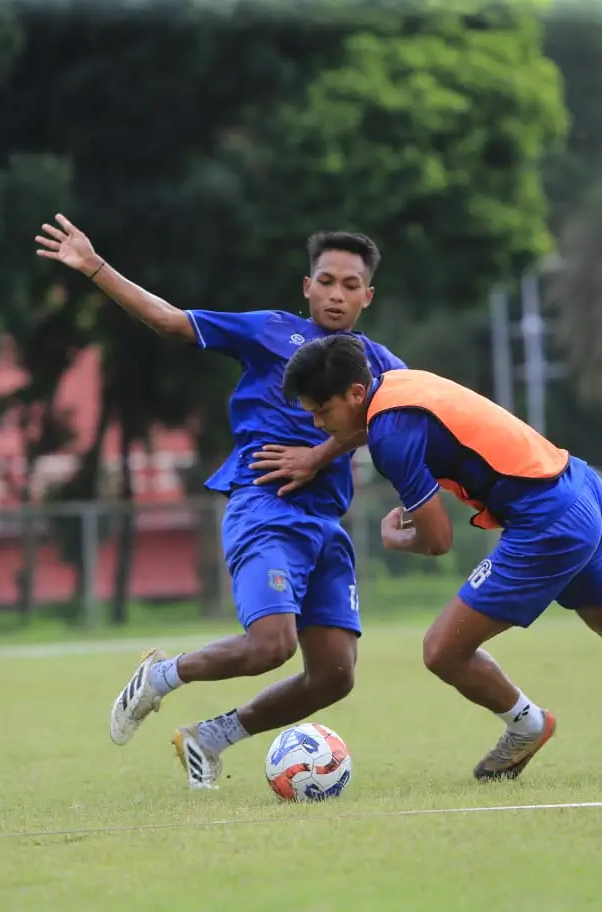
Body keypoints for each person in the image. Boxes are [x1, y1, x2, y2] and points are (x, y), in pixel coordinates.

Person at [35, 215, 405, 789]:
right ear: (307, 287)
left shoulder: (380, 364)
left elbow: (408, 413)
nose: (336, 294)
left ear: (368, 295)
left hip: (325, 524)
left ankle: (209, 739)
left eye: (350, 285)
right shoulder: (270, 332)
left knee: (334, 676)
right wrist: (94, 267)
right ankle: (160, 677)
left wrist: (322, 455)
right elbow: (170, 321)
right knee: (271, 645)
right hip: (265, 507)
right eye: (326, 281)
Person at [280, 334, 602, 781]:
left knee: (442, 650)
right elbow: (390, 435)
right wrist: (321, 456)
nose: (319, 425)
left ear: (357, 392)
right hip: (580, 484)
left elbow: (438, 540)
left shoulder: (389, 438)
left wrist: (395, 539)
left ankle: (527, 725)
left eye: (322, 411)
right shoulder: (400, 384)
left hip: (548, 522)